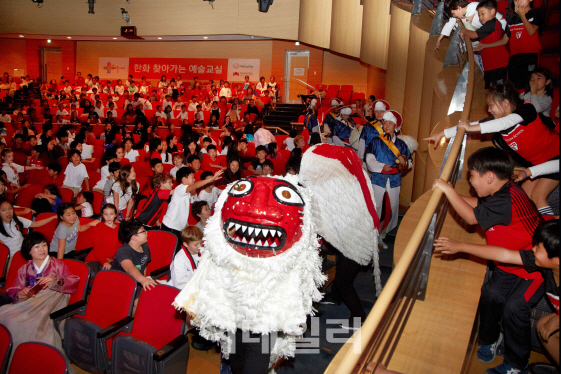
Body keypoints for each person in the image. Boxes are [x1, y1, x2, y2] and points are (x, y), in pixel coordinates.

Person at [433, 147, 544, 374]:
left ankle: (516, 362)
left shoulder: (507, 200)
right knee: (490, 294)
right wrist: (447, 194)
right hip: (509, 263)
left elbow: (471, 217)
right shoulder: (505, 191)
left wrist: (447, 189)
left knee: (515, 308)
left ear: (490, 176)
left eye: (472, 176)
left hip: (534, 267)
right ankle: (490, 338)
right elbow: (478, 206)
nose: (471, 182)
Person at [434, 219, 559, 367]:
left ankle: (517, 364)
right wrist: (461, 246)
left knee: (541, 321)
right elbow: (504, 254)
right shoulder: (544, 263)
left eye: (538, 248)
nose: (532, 249)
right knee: (543, 325)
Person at [426, 83, 559, 216]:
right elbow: (470, 125)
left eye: (491, 105)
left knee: (537, 197)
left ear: (505, 103)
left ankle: (550, 229)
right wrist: (443, 133)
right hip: (538, 163)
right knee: (525, 198)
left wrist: (471, 128)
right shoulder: (497, 121)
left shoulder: (526, 110)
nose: (489, 110)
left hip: (555, 157)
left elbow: (505, 122)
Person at [0, 232, 79, 356]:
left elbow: (73, 282)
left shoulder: (57, 264)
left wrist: (55, 280)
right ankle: (15, 354)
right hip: (32, 301)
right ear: (29, 251)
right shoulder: (25, 268)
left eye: (44, 245)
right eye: (37, 247)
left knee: (30, 323)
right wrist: (21, 294)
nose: (42, 249)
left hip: (53, 301)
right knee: (4, 313)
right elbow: (14, 290)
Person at [365, 111, 412, 249]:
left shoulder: (402, 144)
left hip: (395, 179)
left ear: (395, 126)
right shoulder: (376, 141)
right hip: (378, 178)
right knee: (376, 207)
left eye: (389, 123)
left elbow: (410, 161)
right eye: (384, 122)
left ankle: (382, 236)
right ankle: (371, 237)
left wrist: (405, 164)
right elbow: (369, 158)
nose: (386, 126)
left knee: (392, 208)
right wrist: (381, 166)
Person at [161, 167, 222, 238]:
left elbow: (182, 211)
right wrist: (211, 179)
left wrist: (186, 224)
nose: (194, 179)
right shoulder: (180, 188)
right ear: (184, 179)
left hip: (176, 228)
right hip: (170, 227)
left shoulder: (186, 192)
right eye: (192, 177)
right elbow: (195, 185)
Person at [461, 0, 509, 89]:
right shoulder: (488, 25)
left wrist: (463, 30)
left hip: (498, 63)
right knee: (492, 89)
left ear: (492, 11)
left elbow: (474, 35)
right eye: (479, 15)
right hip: (490, 64)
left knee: (499, 89)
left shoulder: (492, 24)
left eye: (483, 14)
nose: (480, 17)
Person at [505, 0, 542, 89]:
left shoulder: (536, 13)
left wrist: (522, 15)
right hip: (515, 56)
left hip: (530, 54)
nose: (519, 1)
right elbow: (505, 40)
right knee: (515, 86)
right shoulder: (510, 19)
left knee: (529, 84)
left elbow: (531, 31)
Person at [111, 219, 156, 291]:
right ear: (134, 237)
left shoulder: (145, 246)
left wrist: (143, 280)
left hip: (136, 283)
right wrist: (142, 279)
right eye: (143, 231)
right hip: (119, 286)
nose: (146, 232)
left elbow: (144, 265)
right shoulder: (123, 251)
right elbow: (129, 268)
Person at [84, 204, 120, 277]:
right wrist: (105, 262)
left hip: (111, 260)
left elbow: (120, 247)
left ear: (115, 215)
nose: (108, 217)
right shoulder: (99, 227)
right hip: (95, 258)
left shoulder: (119, 228)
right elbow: (97, 248)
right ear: (102, 215)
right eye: (106, 214)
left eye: (111, 214)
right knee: (94, 274)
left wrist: (113, 260)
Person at [169, 225, 203, 290]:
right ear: (186, 244)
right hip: (183, 290)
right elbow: (179, 282)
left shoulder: (203, 252)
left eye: (201, 242)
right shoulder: (180, 258)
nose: (200, 246)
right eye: (196, 244)